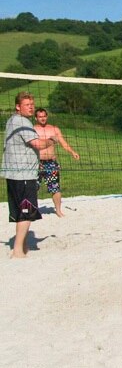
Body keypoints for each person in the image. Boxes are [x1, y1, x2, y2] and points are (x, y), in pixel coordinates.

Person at [2, 92, 58, 258]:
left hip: (13, 173)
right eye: (27, 105)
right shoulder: (22, 122)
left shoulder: (12, 120)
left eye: (32, 104)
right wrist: (51, 139)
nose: (31, 107)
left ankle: (23, 246)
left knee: (21, 211)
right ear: (18, 106)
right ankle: (18, 250)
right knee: (27, 211)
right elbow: (38, 144)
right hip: (23, 175)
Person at [33, 108, 80, 217]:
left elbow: (63, 143)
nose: (42, 118)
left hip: (51, 163)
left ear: (47, 116)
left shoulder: (54, 129)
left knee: (55, 187)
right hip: (36, 163)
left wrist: (72, 152)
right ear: (36, 118)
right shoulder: (32, 129)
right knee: (33, 188)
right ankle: (33, 210)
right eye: (40, 116)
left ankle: (58, 210)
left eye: (44, 116)